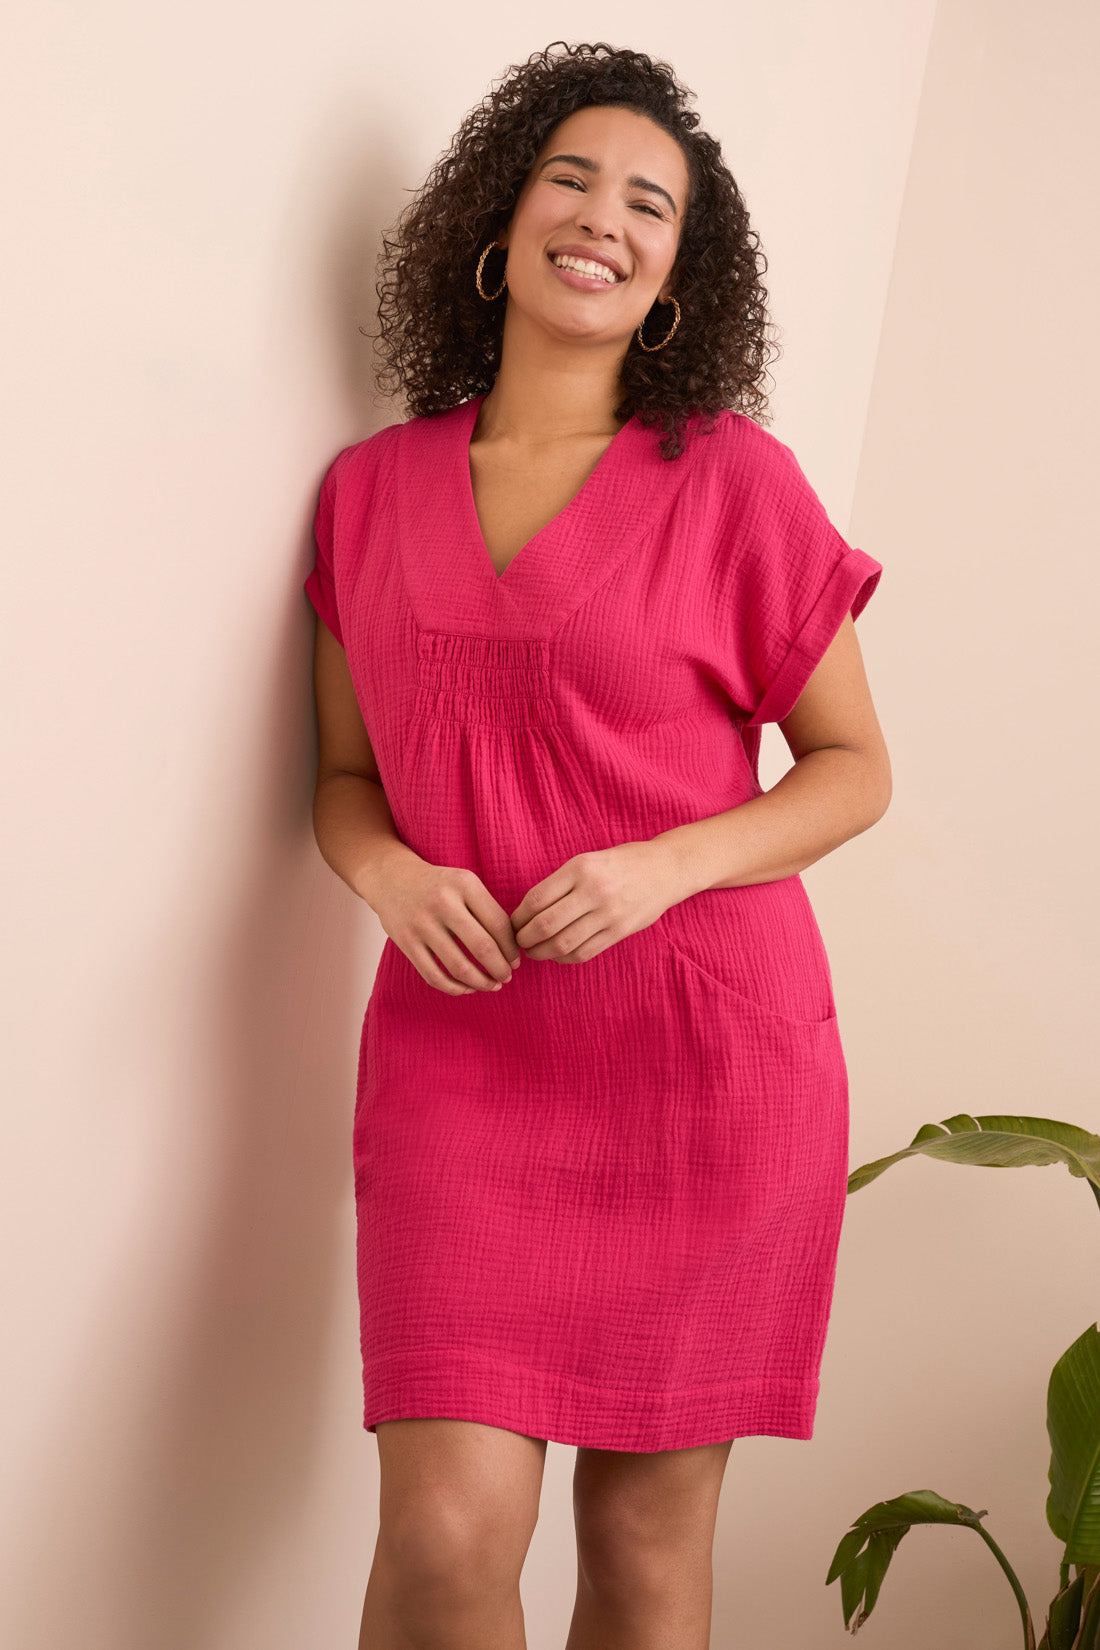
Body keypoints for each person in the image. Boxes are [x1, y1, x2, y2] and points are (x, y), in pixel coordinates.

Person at [303, 40, 891, 1650]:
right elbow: (343, 780)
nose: (604, 218)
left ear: (676, 279)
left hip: (706, 1061)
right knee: (443, 1537)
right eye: (572, 178)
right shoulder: (367, 496)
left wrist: (666, 863)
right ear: (498, 226)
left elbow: (854, 771)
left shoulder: (738, 485)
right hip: (464, 1061)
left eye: (650, 204)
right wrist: (392, 875)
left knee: (639, 1553)